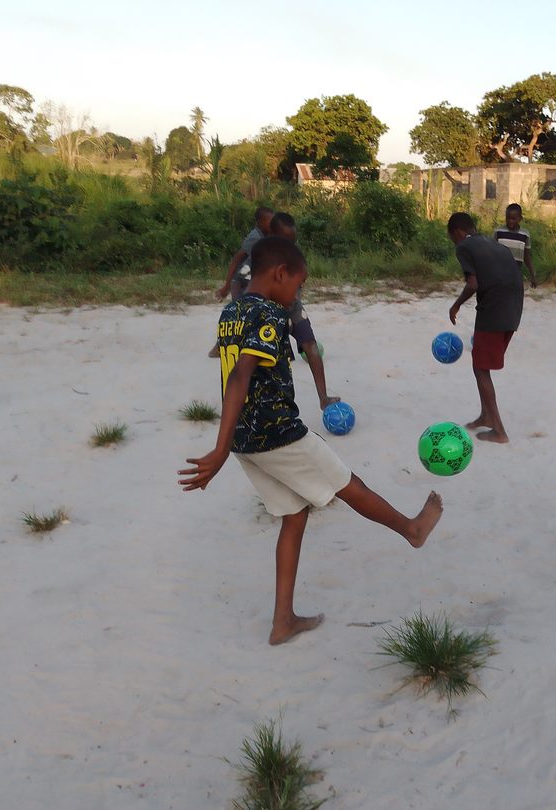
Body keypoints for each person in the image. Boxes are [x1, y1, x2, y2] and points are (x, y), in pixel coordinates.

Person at [179, 236, 443, 645]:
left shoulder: (232, 311)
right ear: (279, 273)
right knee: (347, 483)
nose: (297, 294)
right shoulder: (269, 313)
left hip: (247, 441)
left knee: (295, 514)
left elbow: (235, 374)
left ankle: (282, 620)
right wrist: (218, 449)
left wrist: (229, 445)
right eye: (297, 285)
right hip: (278, 433)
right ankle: (411, 529)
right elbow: (241, 376)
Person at [447, 211, 524, 444]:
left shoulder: (464, 247)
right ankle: (486, 416)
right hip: (514, 308)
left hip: (494, 310)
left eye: (452, 237)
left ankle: (499, 430)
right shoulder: (495, 244)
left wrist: (456, 305)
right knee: (480, 364)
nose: (453, 242)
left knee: (481, 369)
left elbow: (473, 284)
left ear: (457, 232)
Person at [265, 211, 340, 409]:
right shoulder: (263, 255)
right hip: (269, 311)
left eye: (293, 240)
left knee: (311, 346)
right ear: (272, 235)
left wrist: (294, 294)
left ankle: (323, 397)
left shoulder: (294, 255)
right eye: (285, 239)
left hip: (293, 307)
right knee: (274, 361)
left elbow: (301, 279)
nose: (290, 244)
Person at [209, 206, 274, 357]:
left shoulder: (266, 236)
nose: (272, 224)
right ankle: (219, 346)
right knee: (238, 314)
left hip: (251, 283)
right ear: (260, 222)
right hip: (239, 282)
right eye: (269, 221)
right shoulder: (254, 238)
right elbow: (236, 261)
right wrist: (226, 286)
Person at [493, 203, 537, 288]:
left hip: (516, 275)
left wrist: (533, 275)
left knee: (515, 295)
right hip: (499, 274)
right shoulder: (498, 232)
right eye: (508, 218)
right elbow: (492, 253)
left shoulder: (524, 234)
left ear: (520, 218)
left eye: (513, 219)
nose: (510, 221)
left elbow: (527, 256)